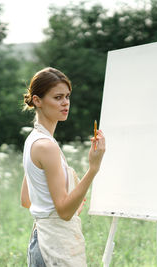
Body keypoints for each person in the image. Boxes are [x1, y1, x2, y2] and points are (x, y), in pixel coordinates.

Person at [20, 67, 105, 266]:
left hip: (41, 242)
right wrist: (93, 168)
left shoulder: (33, 140)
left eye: (67, 96)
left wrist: (69, 204)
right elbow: (64, 212)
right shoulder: (46, 146)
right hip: (53, 248)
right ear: (37, 100)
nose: (65, 102)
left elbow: (26, 200)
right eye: (57, 97)